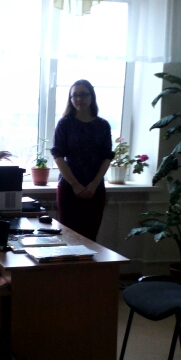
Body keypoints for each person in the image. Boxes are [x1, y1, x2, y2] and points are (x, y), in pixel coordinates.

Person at [50, 80, 114, 241]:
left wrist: (94, 184)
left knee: (90, 239)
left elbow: (107, 157)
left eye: (84, 94)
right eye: (75, 95)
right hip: (69, 189)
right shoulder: (65, 123)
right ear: (70, 99)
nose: (79, 99)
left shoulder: (103, 125)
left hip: (95, 190)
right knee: (68, 239)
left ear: (92, 96)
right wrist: (75, 184)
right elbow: (58, 156)